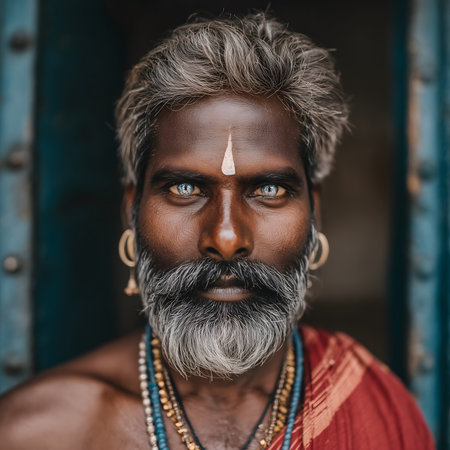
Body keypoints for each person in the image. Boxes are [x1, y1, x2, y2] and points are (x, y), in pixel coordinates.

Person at [0, 12, 434, 450]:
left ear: (314, 213)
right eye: (185, 188)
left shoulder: (380, 413)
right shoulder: (38, 433)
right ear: (132, 211)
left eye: (268, 189)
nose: (226, 238)